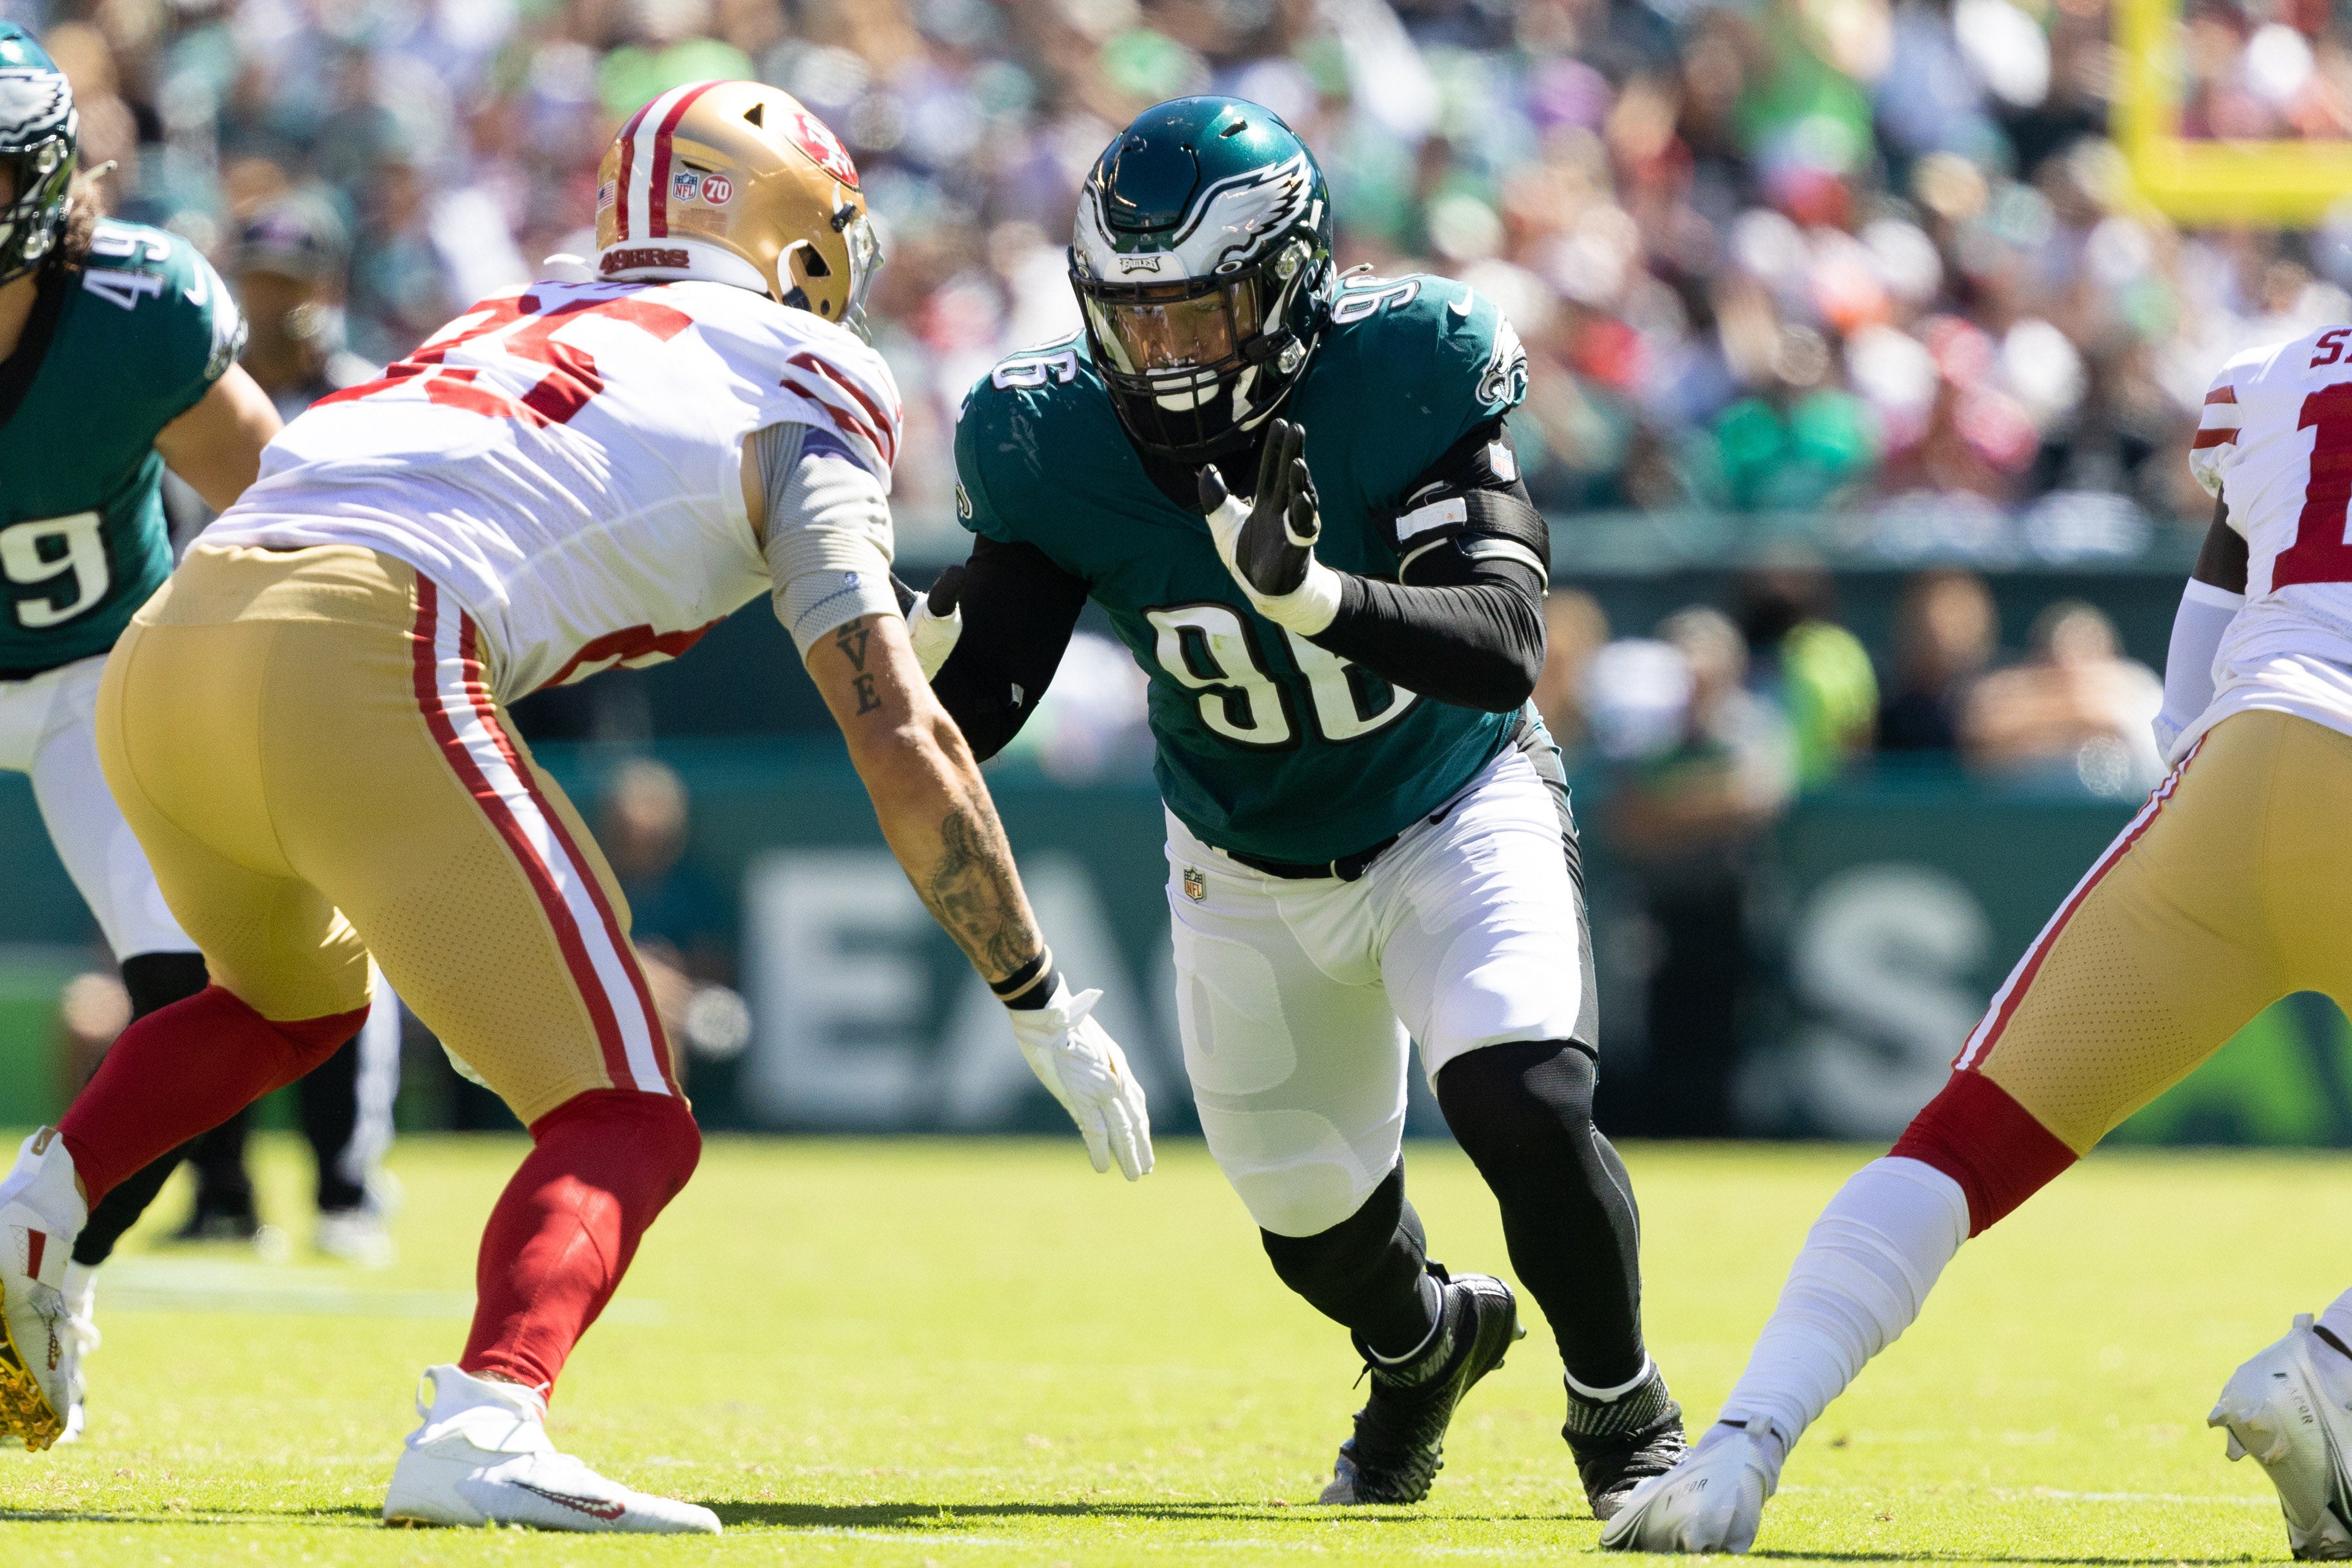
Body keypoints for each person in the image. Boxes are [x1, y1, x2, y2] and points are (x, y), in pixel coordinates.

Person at [0, 80, 1152, 1534]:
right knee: (625, 1110)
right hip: (370, 639)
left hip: (173, 643)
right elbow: (894, 726)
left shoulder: (512, 309)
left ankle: (36, 1209)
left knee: (288, 1001)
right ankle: (488, 1420)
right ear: (798, 235)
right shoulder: (805, 373)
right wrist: (1036, 994)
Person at [916, 97, 1683, 1518]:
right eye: (1131, 321)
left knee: (1521, 1093)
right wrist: (895, 658)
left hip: (1451, 799)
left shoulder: (1405, 367)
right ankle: (1422, 1349)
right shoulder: (1049, 437)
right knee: (1308, 1225)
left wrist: (1317, 598)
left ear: (1287, 283)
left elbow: (1505, 633)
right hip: (1243, 856)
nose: (1163, 354)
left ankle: (1620, 1414)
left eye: (1197, 316)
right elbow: (986, 702)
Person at [1601, 319, 2352, 1558]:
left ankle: (1739, 1443)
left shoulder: (2276, 373)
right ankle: (2330, 1369)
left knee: (1956, 1143)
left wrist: (2199, 785)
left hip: (2238, 761)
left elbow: (2203, 630)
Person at [0, 25, 290, 1440]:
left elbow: (288, 511)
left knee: (193, 1010)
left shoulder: (135, 311)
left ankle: (43, 1269)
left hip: (104, 677)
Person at [88, 194, 405, 1265]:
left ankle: (343, 1182)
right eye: (256, 277)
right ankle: (221, 1187)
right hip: (204, 674)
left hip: (325, 679)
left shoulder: (367, 391)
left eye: (288, 278)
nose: (269, 299)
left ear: (325, 286)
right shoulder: (193, 376)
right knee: (210, 945)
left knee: (349, 934)